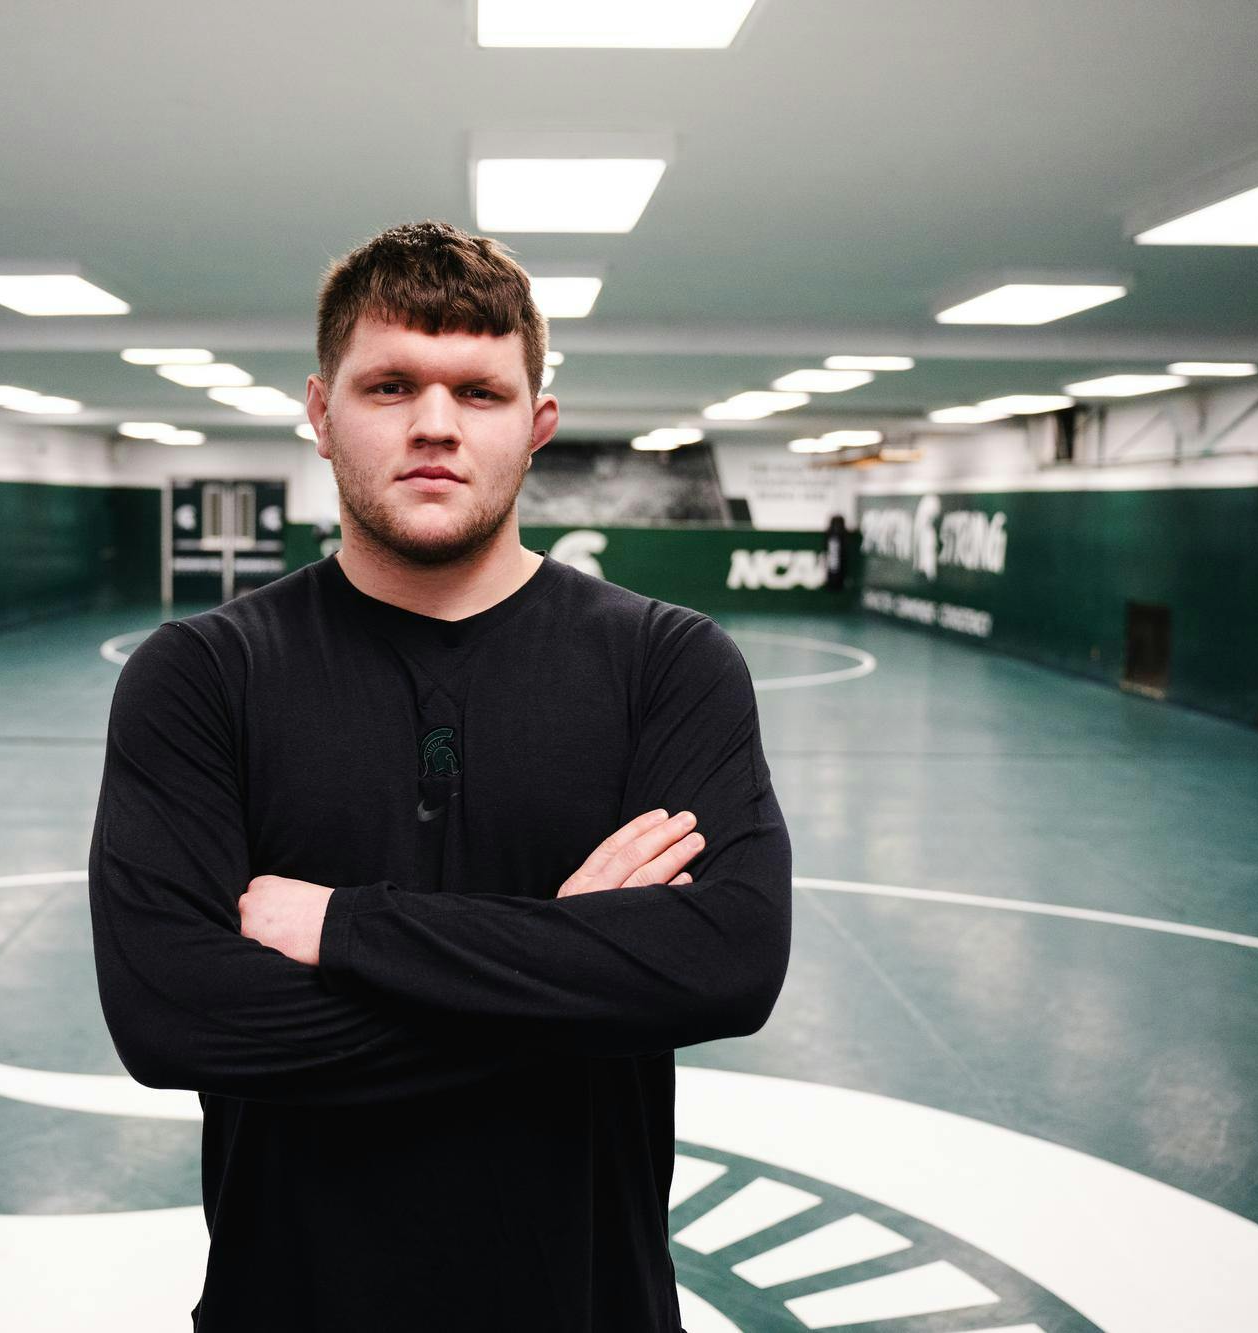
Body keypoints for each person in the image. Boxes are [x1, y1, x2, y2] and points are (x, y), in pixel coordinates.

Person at [88, 220, 792, 1331]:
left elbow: (727, 962)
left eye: (477, 390)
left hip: (589, 1304)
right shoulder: (201, 678)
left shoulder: (667, 664)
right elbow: (175, 1017)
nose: (432, 424)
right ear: (320, 413)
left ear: (536, 423)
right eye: (389, 385)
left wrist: (347, 931)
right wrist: (571, 957)